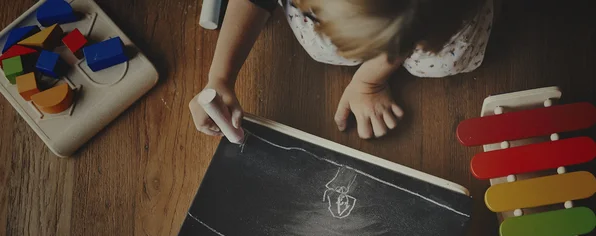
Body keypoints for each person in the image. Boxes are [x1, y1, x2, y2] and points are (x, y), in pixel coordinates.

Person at [190, 0, 494, 139]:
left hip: (431, 20)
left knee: (441, 61)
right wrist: (220, 77)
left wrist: (367, 82)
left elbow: (411, 32)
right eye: (310, 12)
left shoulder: (435, 14)